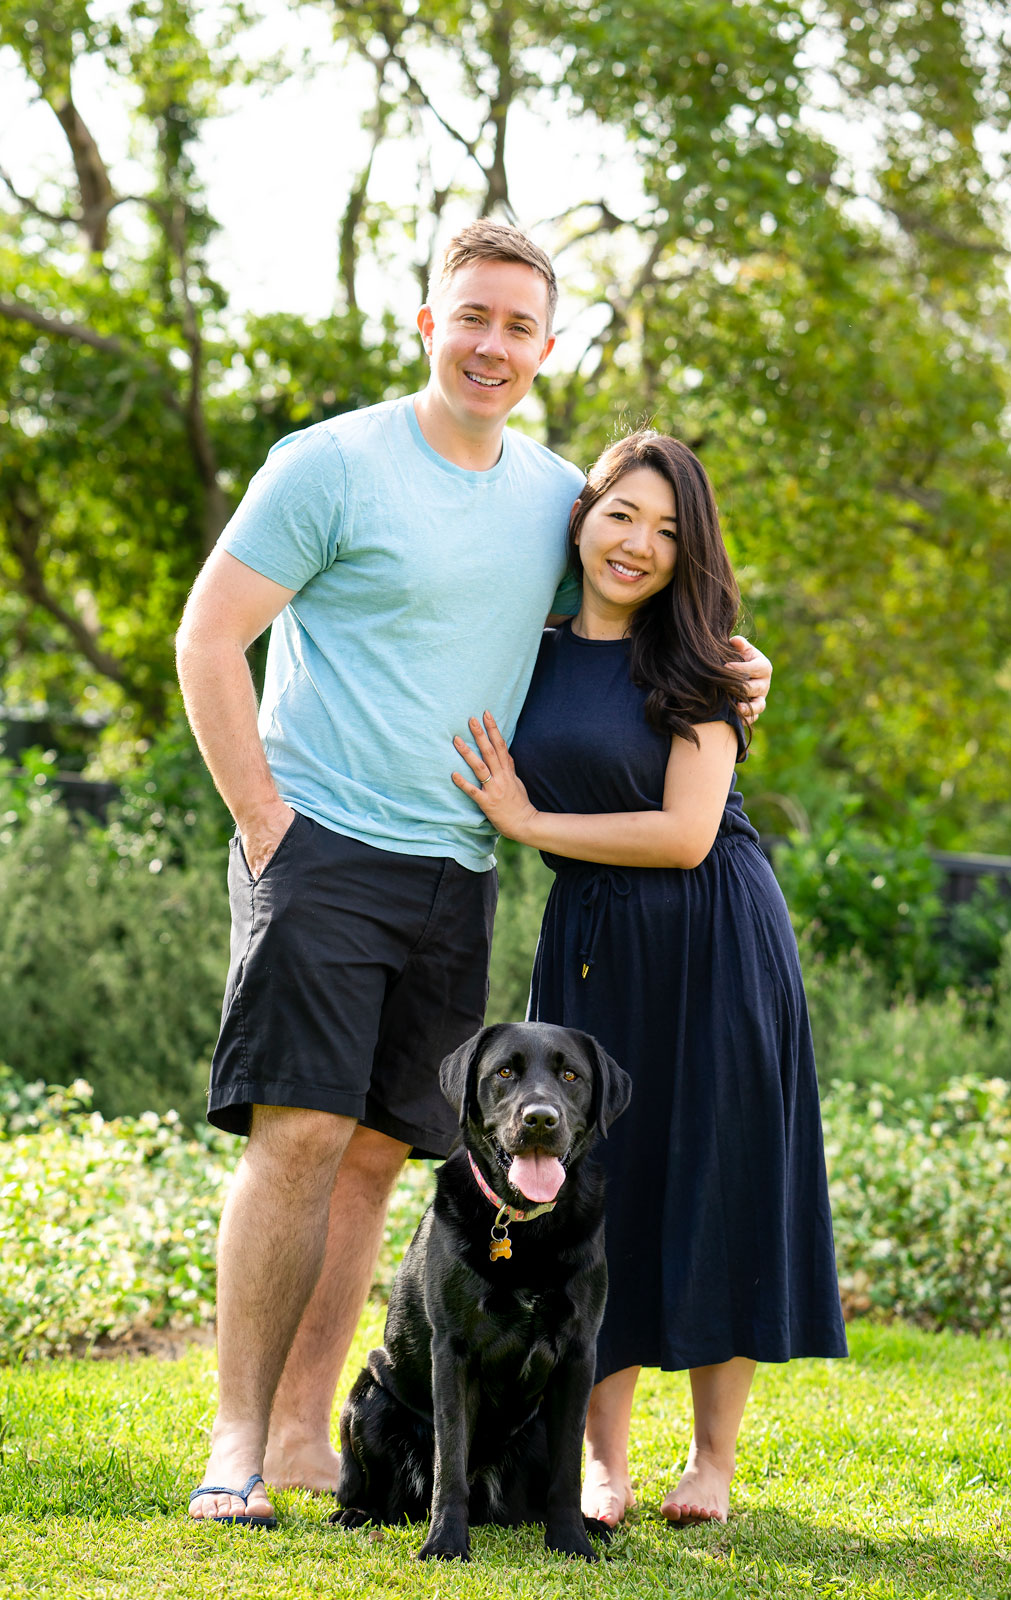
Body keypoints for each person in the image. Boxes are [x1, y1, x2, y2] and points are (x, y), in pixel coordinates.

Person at [176, 224, 773, 1527]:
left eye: (518, 327)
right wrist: (263, 821)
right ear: (426, 322)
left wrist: (739, 664)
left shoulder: (554, 499)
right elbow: (208, 635)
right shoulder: (325, 464)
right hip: (319, 839)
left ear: (544, 348)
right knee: (299, 1135)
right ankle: (232, 1444)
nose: (492, 344)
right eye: (473, 318)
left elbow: (644, 582)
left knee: (382, 1154)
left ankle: (298, 1438)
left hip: (457, 867)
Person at [451, 430, 847, 1529]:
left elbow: (682, 832)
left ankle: (711, 1461)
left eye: (668, 531)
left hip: (714, 933)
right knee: (592, 1181)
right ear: (580, 519)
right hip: (587, 933)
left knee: (721, 1169)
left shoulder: (706, 663)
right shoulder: (520, 647)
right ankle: (603, 1464)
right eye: (621, 514)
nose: (638, 543)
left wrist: (532, 821)